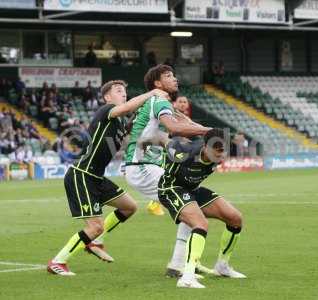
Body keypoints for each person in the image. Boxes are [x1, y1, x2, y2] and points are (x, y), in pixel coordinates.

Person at [47, 80, 169, 276]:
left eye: (125, 91)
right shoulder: (107, 110)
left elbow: (137, 134)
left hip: (97, 177)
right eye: (119, 91)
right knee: (95, 226)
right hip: (82, 174)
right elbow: (128, 107)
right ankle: (58, 262)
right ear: (107, 97)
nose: (124, 94)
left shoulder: (119, 122)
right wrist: (152, 93)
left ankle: (94, 241)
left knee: (129, 207)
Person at [121, 64, 213, 278]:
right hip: (142, 168)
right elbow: (175, 128)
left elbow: (183, 124)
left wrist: (200, 132)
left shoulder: (161, 103)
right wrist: (210, 131)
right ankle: (183, 263)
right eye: (168, 76)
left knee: (190, 205)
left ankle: (181, 263)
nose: (175, 79)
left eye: (174, 74)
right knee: (190, 205)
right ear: (157, 83)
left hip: (146, 166)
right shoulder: (159, 101)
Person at [158, 128, 246, 288]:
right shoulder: (184, 154)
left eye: (223, 151)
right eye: (217, 151)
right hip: (171, 189)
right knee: (201, 224)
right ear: (205, 147)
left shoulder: (217, 157)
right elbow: (165, 141)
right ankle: (187, 277)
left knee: (235, 218)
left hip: (193, 190)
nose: (220, 155)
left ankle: (222, 266)